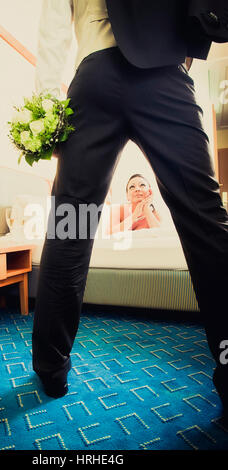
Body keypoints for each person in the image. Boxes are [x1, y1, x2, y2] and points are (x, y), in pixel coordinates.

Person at [32, 0, 228, 421]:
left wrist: (47, 104)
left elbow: (53, 25)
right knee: (205, 223)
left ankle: (50, 367)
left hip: (93, 79)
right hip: (163, 74)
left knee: (71, 226)